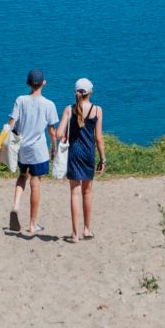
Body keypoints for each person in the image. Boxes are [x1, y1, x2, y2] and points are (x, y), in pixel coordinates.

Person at [4, 68, 58, 235]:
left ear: (28, 83)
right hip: (39, 149)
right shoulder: (49, 104)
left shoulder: (20, 100)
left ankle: (16, 206)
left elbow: (11, 124)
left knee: (22, 176)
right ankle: (33, 224)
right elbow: (51, 131)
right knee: (36, 184)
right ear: (44, 83)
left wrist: (3, 144)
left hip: (23, 148)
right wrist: (54, 148)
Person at [59, 77, 105, 242]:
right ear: (90, 92)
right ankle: (87, 229)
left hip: (74, 154)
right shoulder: (97, 110)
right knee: (87, 192)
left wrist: (64, 136)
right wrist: (103, 158)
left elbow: (58, 134)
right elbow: (98, 138)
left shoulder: (68, 109)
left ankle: (74, 234)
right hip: (88, 154)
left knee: (74, 192)